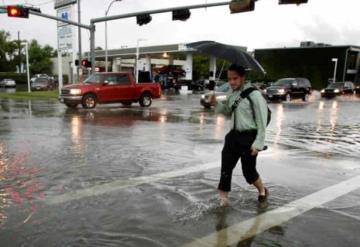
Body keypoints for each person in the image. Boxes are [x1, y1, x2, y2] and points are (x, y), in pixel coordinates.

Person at [210, 64, 268, 207]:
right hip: (232, 137)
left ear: (242, 78)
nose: (232, 82)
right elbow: (229, 111)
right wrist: (215, 104)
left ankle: (262, 190)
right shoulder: (232, 93)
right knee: (225, 169)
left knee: (249, 172)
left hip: (249, 138)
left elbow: (262, 120)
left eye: (235, 79)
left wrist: (258, 143)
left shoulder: (254, 95)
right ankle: (223, 202)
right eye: (229, 79)